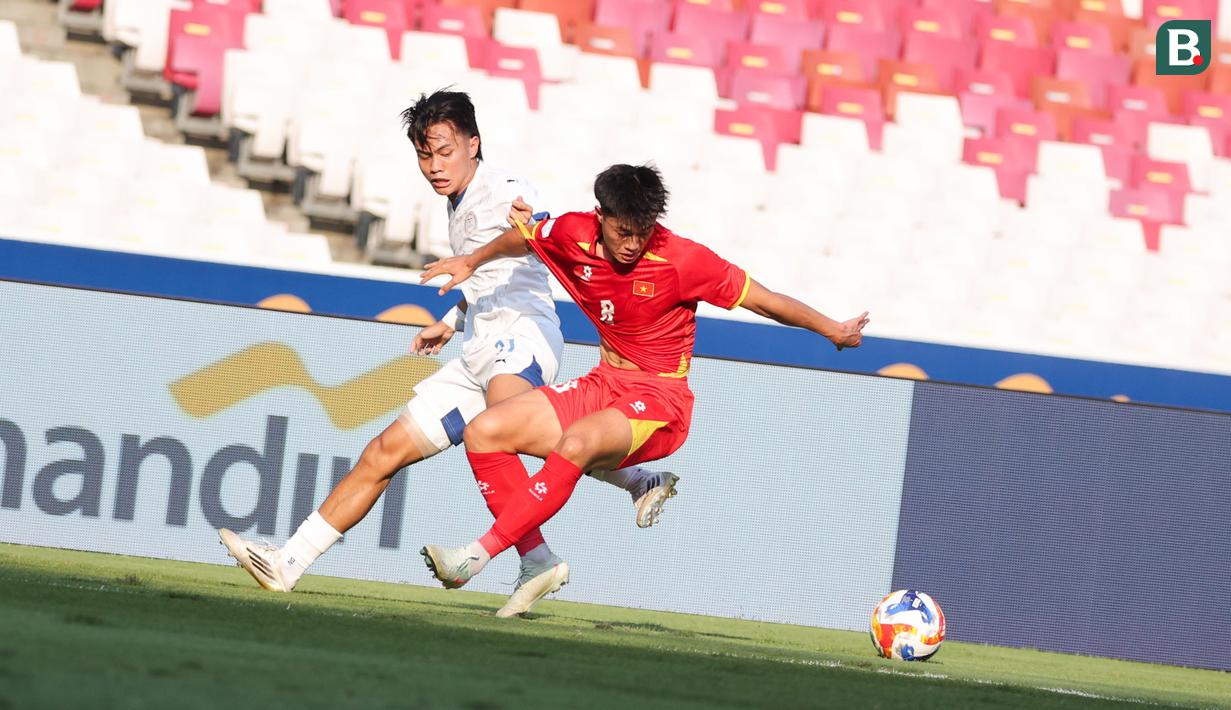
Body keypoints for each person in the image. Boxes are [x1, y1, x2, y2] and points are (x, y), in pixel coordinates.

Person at [219, 93, 679, 618]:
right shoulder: (457, 202)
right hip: (478, 345)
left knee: (503, 427)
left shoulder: (502, 187)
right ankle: (288, 562)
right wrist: (452, 319)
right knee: (384, 451)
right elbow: (488, 277)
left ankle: (621, 491)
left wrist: (491, 249)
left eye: (444, 152)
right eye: (425, 155)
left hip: (522, 336)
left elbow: (534, 233)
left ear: (473, 144)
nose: (435, 166)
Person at [416, 163, 869, 594]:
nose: (633, 243)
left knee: (577, 442)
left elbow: (764, 300)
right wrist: (473, 260)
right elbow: (528, 236)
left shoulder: (683, 260)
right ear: (600, 217)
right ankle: (540, 559)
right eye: (623, 232)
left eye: (643, 231)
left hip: (661, 399)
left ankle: (473, 557)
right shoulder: (573, 232)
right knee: (484, 432)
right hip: (603, 384)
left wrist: (833, 329)